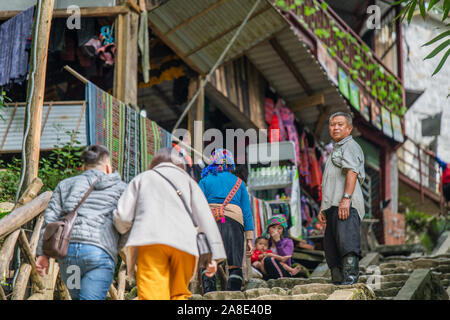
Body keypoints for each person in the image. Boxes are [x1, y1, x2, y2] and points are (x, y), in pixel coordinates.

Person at [113, 148, 226, 300]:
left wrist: (123, 232)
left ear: (155, 162)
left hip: (150, 241)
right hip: (185, 244)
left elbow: (123, 216)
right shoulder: (189, 181)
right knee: (179, 294)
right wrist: (214, 256)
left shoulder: (142, 178)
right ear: (181, 165)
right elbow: (205, 217)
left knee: (152, 294)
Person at [35, 145, 127, 300]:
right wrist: (122, 249)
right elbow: (126, 221)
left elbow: (50, 220)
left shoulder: (65, 185)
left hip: (69, 257)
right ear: (108, 167)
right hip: (98, 257)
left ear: (84, 167)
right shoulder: (121, 188)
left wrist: (42, 253)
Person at [318, 112, 365, 285]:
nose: (335, 127)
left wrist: (346, 199)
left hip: (346, 204)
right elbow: (330, 182)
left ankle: (350, 281)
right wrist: (323, 208)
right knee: (331, 247)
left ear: (349, 128)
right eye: (332, 124)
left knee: (347, 242)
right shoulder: (335, 149)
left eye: (340, 124)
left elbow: (352, 172)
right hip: (333, 206)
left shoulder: (350, 146)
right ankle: (338, 283)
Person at [198, 149, 254, 293]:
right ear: (230, 164)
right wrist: (249, 238)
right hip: (234, 222)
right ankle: (233, 295)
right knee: (235, 264)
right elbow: (247, 212)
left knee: (209, 260)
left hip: (210, 222)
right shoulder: (239, 183)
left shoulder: (204, 181)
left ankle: (209, 294)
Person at [260, 215, 295, 279]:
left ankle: (281, 281)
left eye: (279, 228)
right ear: (268, 230)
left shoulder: (288, 242)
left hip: (284, 272)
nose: (276, 230)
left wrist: (278, 242)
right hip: (268, 272)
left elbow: (285, 258)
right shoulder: (265, 243)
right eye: (273, 227)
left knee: (270, 259)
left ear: (282, 231)